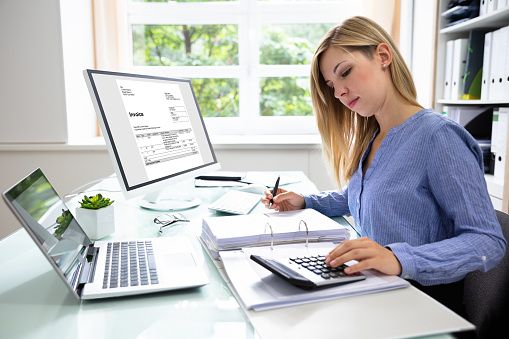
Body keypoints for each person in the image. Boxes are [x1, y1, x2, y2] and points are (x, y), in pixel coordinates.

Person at [262, 16, 506, 316]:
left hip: (419, 306)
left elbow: (487, 241)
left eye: (345, 73)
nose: (339, 92)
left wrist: (400, 258)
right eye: (331, 85)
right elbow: (366, 193)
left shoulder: (438, 137)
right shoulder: (375, 136)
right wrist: (306, 201)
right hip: (375, 292)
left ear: (383, 56)